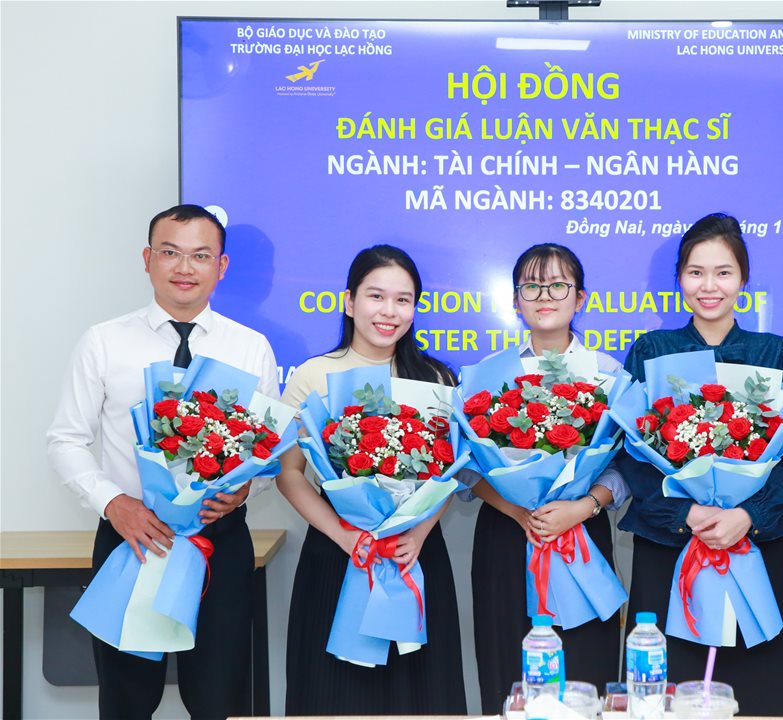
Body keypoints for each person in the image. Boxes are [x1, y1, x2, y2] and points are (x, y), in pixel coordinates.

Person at [46, 204, 278, 719]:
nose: (184, 268)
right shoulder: (104, 341)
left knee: (219, 701)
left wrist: (247, 489)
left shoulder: (251, 347)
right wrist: (114, 504)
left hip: (219, 542)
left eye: (201, 255)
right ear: (147, 258)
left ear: (221, 266)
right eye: (170, 252)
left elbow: (265, 451)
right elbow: (65, 440)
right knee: (127, 701)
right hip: (132, 536)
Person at [615, 212, 783, 716]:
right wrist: (687, 514)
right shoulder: (652, 350)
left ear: (743, 279)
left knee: (755, 693)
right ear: (679, 278)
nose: (709, 286)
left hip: (750, 542)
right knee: (664, 690)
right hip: (668, 544)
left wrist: (746, 516)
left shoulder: (774, 353)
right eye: (696, 272)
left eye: (723, 272)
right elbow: (631, 453)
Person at [276, 245, 467, 715]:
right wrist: (344, 535)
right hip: (338, 551)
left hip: (414, 553)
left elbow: (450, 473)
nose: (389, 311)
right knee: (336, 696)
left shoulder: (437, 378)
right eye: (376, 296)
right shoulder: (314, 374)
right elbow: (289, 474)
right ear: (350, 301)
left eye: (403, 300)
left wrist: (418, 533)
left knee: (419, 696)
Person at [470, 243, 627, 714]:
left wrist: (582, 507)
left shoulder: (609, 375)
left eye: (558, 285)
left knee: (585, 681)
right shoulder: (487, 377)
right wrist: (519, 511)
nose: (544, 296)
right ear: (515, 300)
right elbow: (467, 469)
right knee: (508, 679)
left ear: (580, 298)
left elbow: (626, 466)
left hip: (582, 534)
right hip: (507, 535)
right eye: (532, 286)